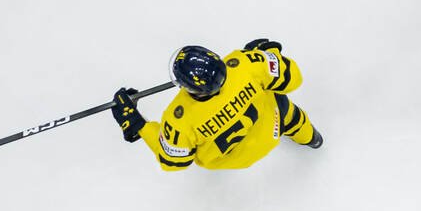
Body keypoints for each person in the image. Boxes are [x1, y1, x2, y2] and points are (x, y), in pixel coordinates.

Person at [111, 40, 320, 172]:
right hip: (272, 124)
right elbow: (294, 79)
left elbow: (173, 162)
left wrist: (138, 124)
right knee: (289, 114)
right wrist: (268, 54)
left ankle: (310, 138)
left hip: (233, 160)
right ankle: (313, 139)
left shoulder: (179, 120)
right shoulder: (244, 64)